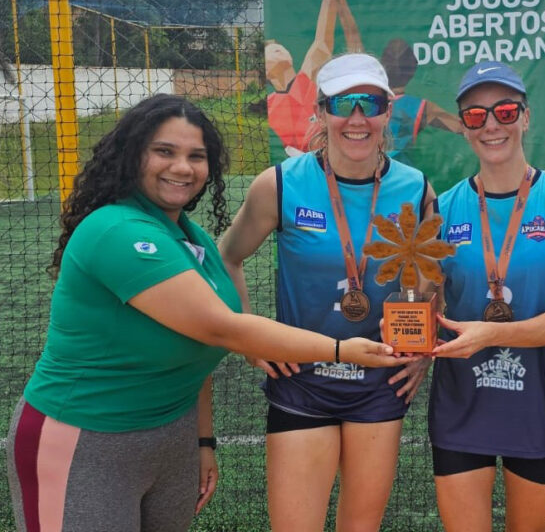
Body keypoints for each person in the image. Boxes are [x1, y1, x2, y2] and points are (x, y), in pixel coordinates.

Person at [5, 94, 405, 532]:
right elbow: (220, 327)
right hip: (85, 437)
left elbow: (198, 345)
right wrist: (342, 350)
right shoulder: (114, 229)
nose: (183, 168)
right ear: (131, 155)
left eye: (197, 156)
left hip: (170, 435)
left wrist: (202, 439)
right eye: (165, 151)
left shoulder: (189, 236)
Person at [219, 53, 434, 532]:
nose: (357, 118)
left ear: (388, 110)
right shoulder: (279, 184)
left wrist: (423, 350)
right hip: (302, 382)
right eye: (344, 103)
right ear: (320, 111)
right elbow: (226, 258)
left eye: (370, 103)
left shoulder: (415, 187)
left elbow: (429, 280)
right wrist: (249, 337)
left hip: (379, 385)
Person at [428, 61, 545, 532]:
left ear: (526, 117)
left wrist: (488, 333)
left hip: (536, 405)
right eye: (476, 116)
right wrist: (410, 316)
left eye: (504, 111)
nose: (492, 125)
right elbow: (429, 303)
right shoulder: (440, 209)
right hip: (463, 403)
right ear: (463, 128)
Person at [266, 0, 361, 157]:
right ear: (265, 70)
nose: (278, 48)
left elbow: (322, 40)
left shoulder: (306, 81)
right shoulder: (268, 105)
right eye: (270, 49)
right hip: (299, 170)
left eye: (280, 46)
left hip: (329, 163)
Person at [379, 38, 462, 163]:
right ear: (412, 69)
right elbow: (461, 127)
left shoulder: (368, 101)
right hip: (402, 175)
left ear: (382, 67)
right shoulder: (421, 107)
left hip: (368, 174)